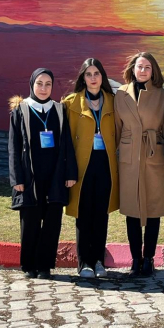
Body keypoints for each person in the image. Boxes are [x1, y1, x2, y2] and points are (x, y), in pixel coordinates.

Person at [8, 68, 77, 280]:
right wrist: (17, 179)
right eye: (39, 83)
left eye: (48, 84)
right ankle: (29, 265)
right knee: (30, 221)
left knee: (52, 222)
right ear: (32, 84)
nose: (44, 88)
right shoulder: (21, 110)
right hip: (30, 176)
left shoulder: (59, 110)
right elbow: (13, 146)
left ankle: (45, 266)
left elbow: (67, 143)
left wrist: (70, 173)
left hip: (55, 175)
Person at [63, 58, 119, 279]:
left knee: (101, 214)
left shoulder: (113, 101)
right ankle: (84, 262)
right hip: (82, 165)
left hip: (105, 164)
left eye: (97, 74)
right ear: (83, 78)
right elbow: (66, 141)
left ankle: (98, 261)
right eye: (89, 74)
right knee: (83, 213)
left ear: (102, 77)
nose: (93, 78)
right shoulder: (71, 103)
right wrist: (68, 170)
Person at [114, 52, 164, 277]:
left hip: (153, 155)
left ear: (153, 70)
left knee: (153, 208)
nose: (143, 70)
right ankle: (136, 258)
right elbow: (116, 128)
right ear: (132, 69)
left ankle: (149, 259)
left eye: (147, 67)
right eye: (139, 66)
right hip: (129, 157)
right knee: (132, 209)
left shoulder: (162, 95)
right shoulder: (121, 93)